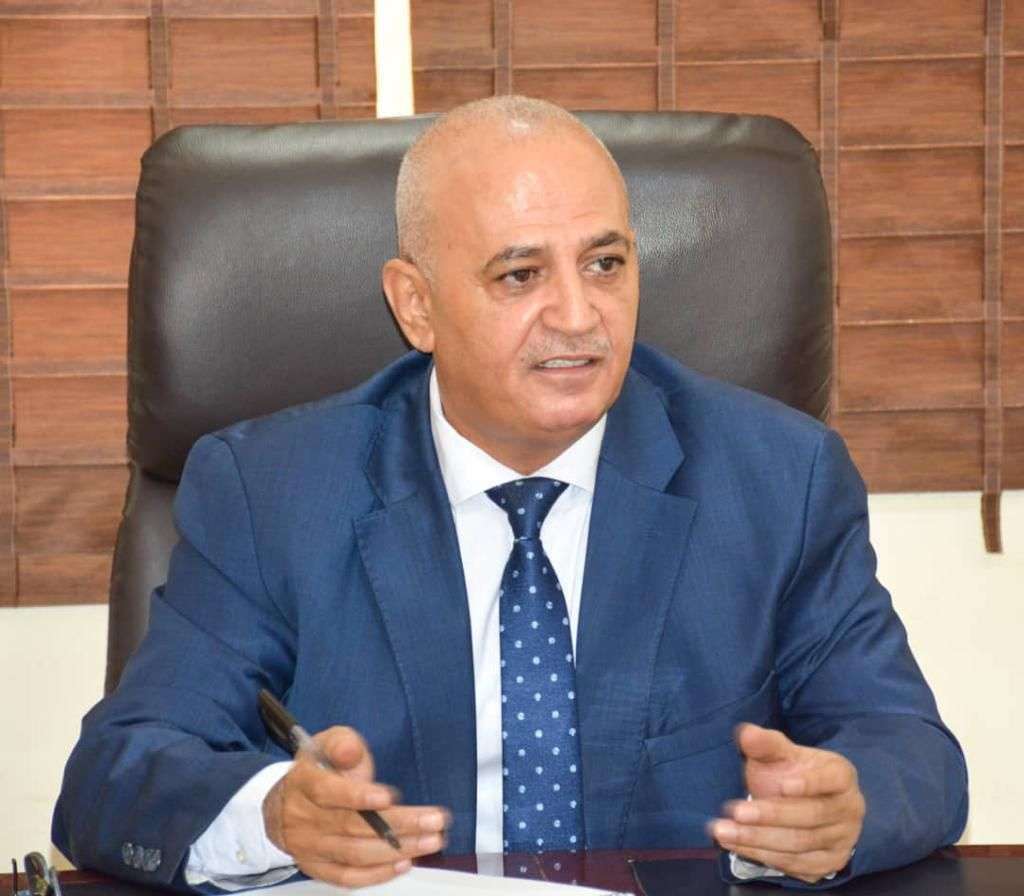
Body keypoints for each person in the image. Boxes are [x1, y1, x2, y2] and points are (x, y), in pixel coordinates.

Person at [53, 96, 967, 892]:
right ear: (416, 306)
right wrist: (273, 815)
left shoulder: (777, 479)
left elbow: (911, 751)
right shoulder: (274, 493)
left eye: (605, 264)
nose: (577, 315)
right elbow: (116, 772)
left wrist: (843, 809)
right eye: (520, 275)